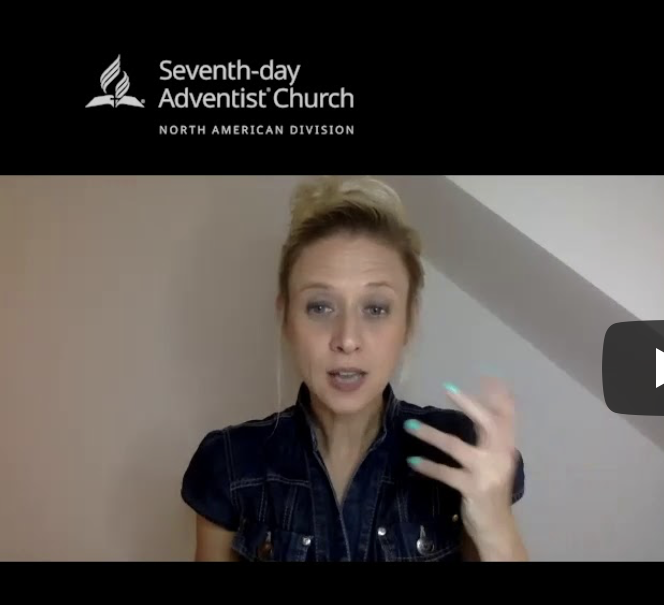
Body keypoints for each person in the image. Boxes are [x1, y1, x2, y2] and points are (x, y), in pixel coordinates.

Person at [181, 176, 528, 561]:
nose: (347, 339)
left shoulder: (462, 455)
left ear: (408, 322)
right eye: (320, 307)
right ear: (286, 318)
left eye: (375, 308)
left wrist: (495, 526)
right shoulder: (229, 464)